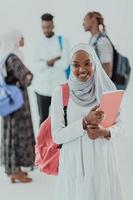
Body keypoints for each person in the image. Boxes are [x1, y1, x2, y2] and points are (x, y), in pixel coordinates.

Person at [50, 43, 123, 200]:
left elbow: (121, 125)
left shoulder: (106, 89)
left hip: (102, 161)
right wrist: (83, 123)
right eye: (76, 65)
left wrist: (105, 132)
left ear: (94, 63)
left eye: (87, 63)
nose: (82, 70)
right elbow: (57, 136)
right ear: (70, 66)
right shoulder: (61, 92)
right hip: (75, 163)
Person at [0, 30, 35, 183]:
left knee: (10, 135)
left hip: (9, 103)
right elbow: (26, 77)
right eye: (21, 37)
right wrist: (29, 77)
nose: (23, 39)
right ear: (14, 39)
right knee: (17, 136)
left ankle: (12, 169)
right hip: (18, 104)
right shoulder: (13, 58)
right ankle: (16, 171)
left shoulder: (4, 57)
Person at [33, 13, 69, 125]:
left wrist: (46, 62)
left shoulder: (62, 41)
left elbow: (65, 64)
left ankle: (61, 143)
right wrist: (52, 61)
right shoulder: (38, 43)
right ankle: (42, 143)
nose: (46, 30)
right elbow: (35, 66)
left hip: (58, 89)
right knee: (42, 120)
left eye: (48, 27)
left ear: (53, 25)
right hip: (41, 89)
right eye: (43, 27)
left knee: (62, 120)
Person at [83, 11, 113, 78]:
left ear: (93, 19)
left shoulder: (102, 41)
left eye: (85, 20)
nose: (83, 23)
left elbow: (107, 67)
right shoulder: (92, 40)